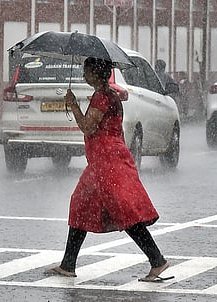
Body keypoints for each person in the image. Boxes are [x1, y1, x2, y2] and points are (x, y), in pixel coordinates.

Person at [44, 57, 172, 282]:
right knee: (81, 205)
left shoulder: (102, 97)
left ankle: (157, 260)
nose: (84, 75)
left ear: (95, 73)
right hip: (104, 160)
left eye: (86, 71)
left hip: (107, 162)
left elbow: (88, 127)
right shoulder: (108, 95)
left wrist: (73, 105)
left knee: (124, 211)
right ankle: (68, 263)